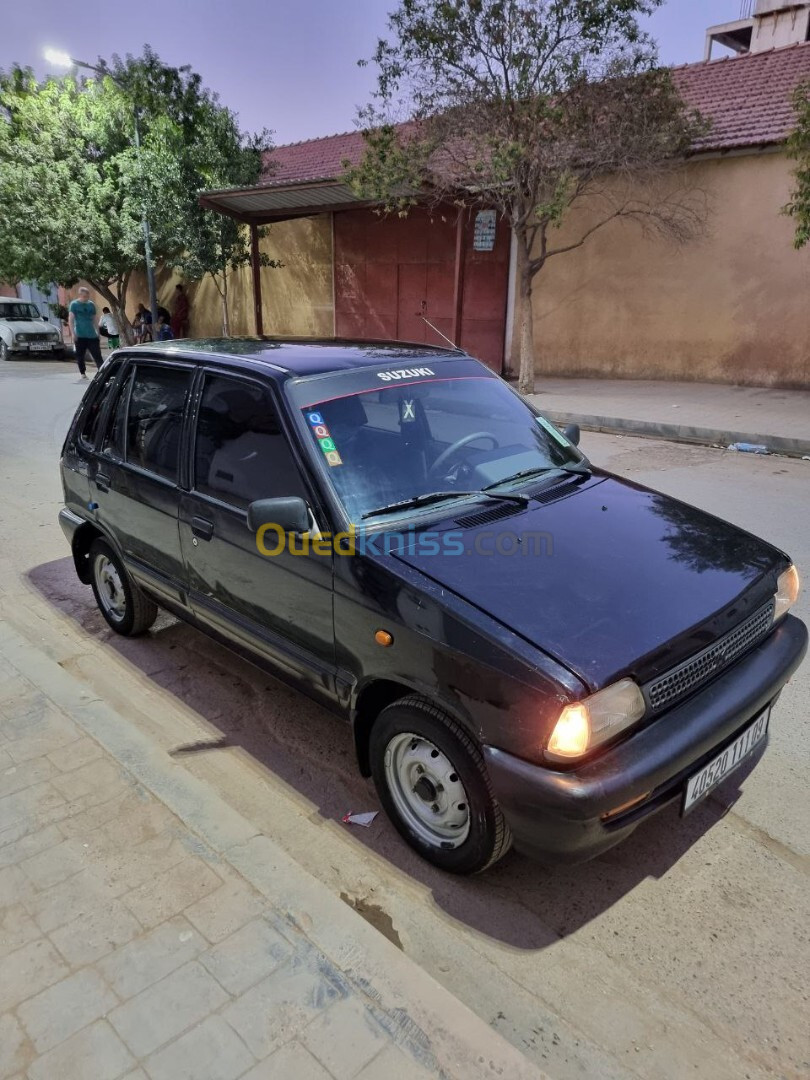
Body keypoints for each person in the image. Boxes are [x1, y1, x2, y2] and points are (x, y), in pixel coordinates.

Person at [68, 286, 103, 379]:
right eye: (84, 296)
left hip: (91, 334)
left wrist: (98, 332)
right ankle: (82, 372)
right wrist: (73, 333)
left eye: (87, 296)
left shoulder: (91, 305)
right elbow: (71, 319)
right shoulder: (74, 304)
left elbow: (94, 318)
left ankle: (102, 371)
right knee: (80, 355)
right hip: (79, 334)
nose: (86, 298)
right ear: (80, 295)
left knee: (97, 354)